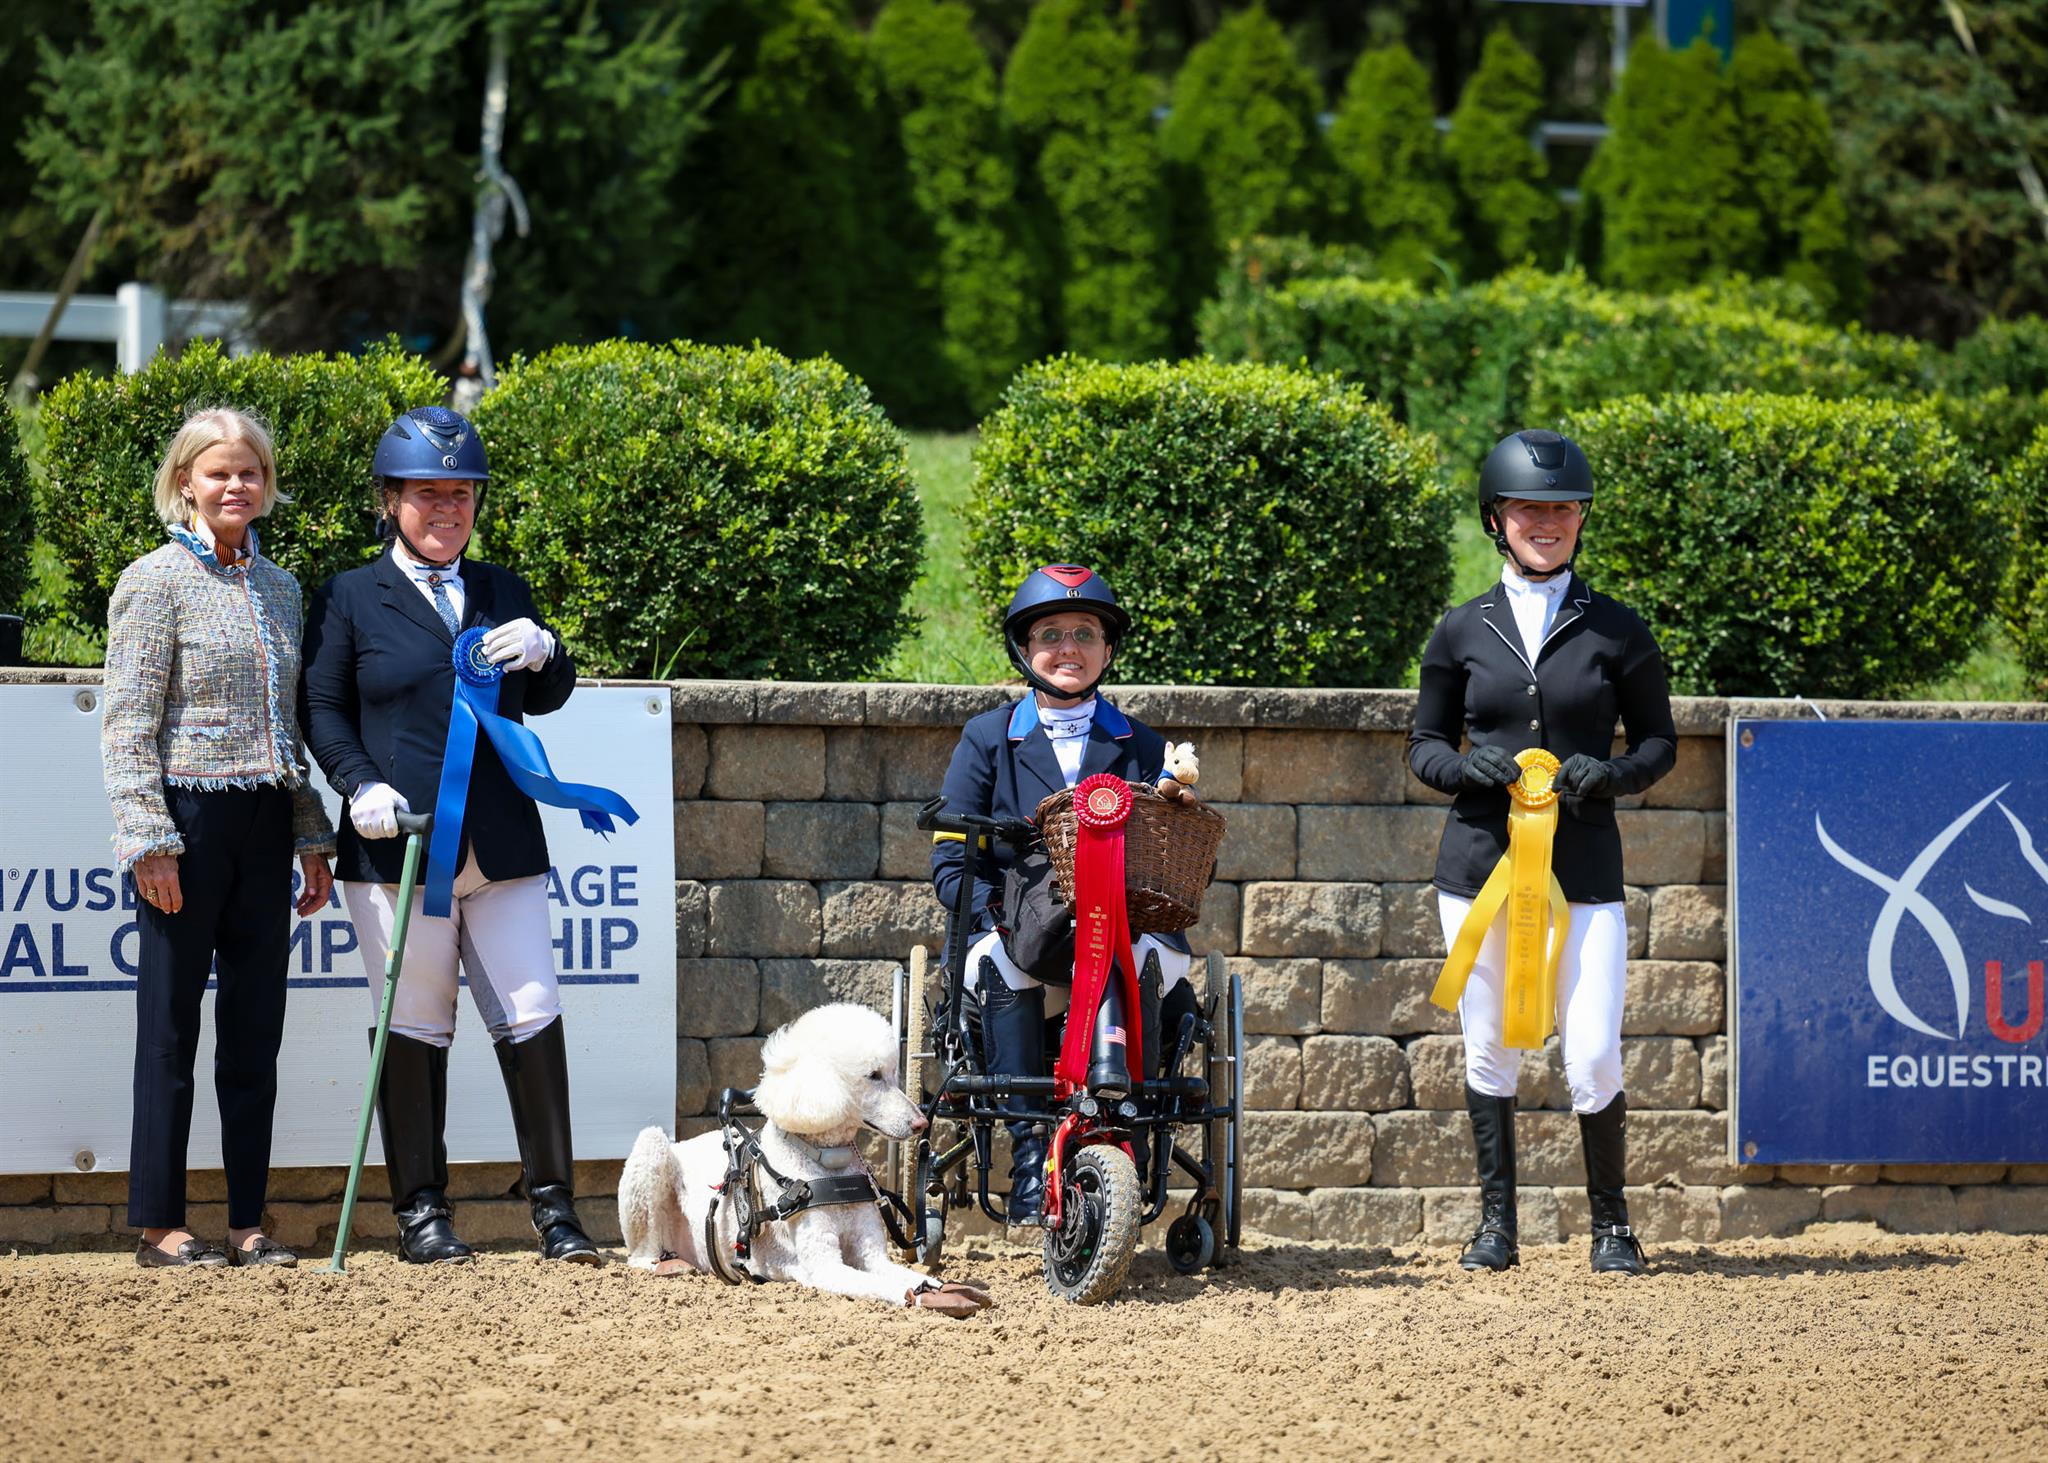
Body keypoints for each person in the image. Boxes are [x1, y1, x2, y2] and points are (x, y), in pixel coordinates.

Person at [301, 406, 598, 1266]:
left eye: (461, 494)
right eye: (427, 493)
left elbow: (546, 696)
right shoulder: (349, 596)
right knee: (415, 1020)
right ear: (390, 501)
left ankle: (557, 1212)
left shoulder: (503, 589)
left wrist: (546, 651)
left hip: (501, 845)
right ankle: (421, 1213)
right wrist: (358, 782)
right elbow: (321, 706)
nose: (446, 508)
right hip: (399, 846)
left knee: (533, 1008)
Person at [1408, 429, 1677, 1278]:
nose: (1548, 521)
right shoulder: (1461, 629)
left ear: (1581, 518)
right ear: (1498, 519)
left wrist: (1612, 772)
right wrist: (1465, 767)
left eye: (1563, 507)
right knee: (1490, 1044)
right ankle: (1497, 1225)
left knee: (1592, 1048)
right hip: (1479, 867)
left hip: (1585, 868)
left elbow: (1661, 742)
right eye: (1529, 507)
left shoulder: (1618, 629)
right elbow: (1422, 745)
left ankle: (1613, 1225)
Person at [101, 407, 336, 1269]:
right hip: (186, 824)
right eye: (219, 471)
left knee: (254, 1028)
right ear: (185, 482)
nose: (236, 484)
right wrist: (148, 837)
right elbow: (128, 723)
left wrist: (311, 834)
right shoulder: (152, 581)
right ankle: (158, 1225)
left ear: (266, 485)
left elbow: (288, 727)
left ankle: (246, 1224)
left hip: (266, 823)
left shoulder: (282, 588)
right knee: (169, 1026)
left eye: (250, 472)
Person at [929, 564, 1198, 1223]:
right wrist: (1001, 913)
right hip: (1023, 928)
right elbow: (951, 861)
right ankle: (1029, 1161)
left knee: (1141, 957)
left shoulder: (1143, 744)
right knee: (1002, 960)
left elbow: (1170, 856)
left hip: (1126, 927)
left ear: (1108, 649)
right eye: (1051, 634)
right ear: (1024, 649)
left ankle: (1126, 1135)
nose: (1068, 648)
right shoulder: (987, 738)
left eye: (1085, 633)